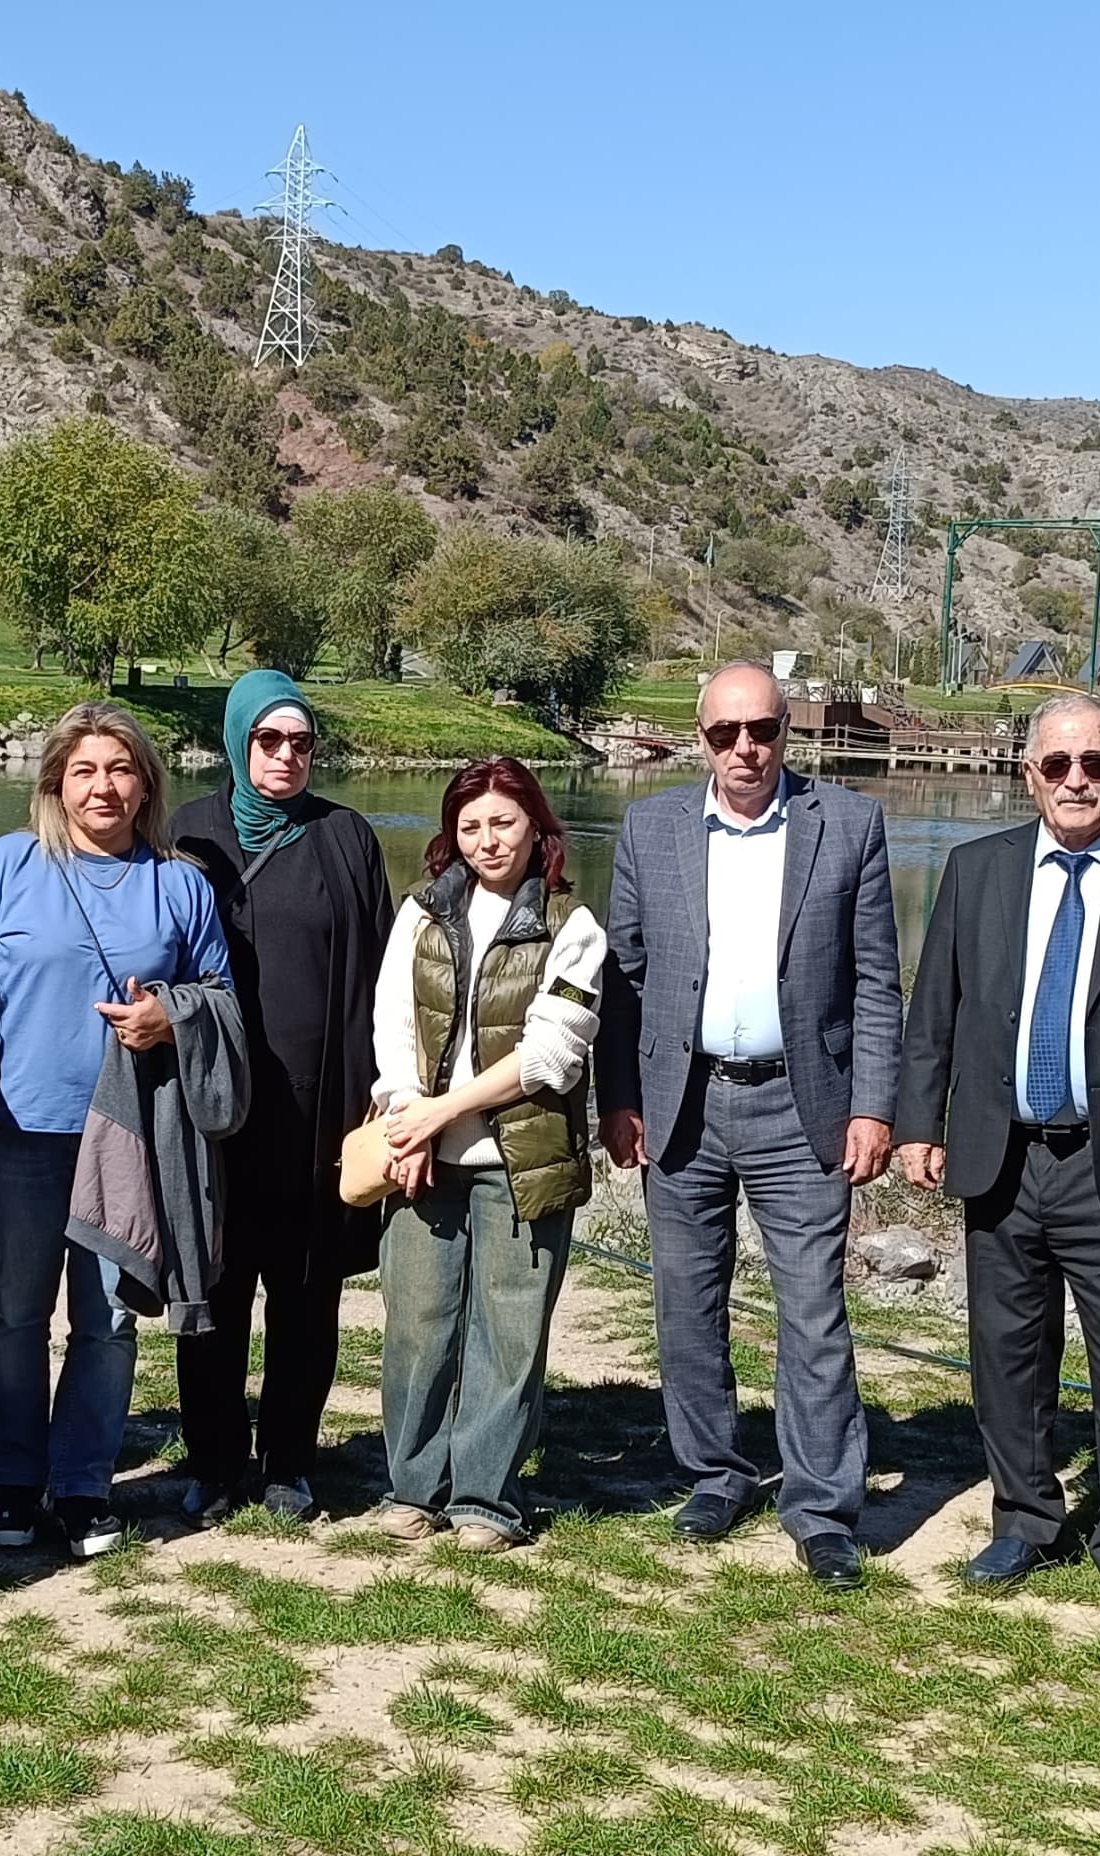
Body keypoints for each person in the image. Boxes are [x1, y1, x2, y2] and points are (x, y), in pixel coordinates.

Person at [891, 696, 1100, 1630]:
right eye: (1057, 764)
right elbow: (936, 1014)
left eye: (1094, 762)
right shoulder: (976, 871)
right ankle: (1026, 1518)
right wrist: (918, 1123)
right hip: (1002, 1156)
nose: (1077, 779)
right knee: (1007, 1356)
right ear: (1027, 771)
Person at [594, 662, 904, 1591]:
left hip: (797, 1103)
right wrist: (619, 1096)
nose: (745, 750)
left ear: (786, 733)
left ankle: (820, 1508)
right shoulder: (652, 828)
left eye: (762, 731)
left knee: (813, 1311)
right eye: (726, 734)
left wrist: (874, 1104)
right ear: (701, 739)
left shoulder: (848, 824)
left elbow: (877, 981)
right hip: (681, 1100)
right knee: (687, 1302)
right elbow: (625, 978)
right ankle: (715, 1473)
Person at [0, 703, 231, 1560]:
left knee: (109, 1318)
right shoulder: (7, 866)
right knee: (15, 1314)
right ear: (56, 782)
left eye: (121, 769)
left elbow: (221, 997)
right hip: (17, 1128)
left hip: (128, 1136)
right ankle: (14, 1478)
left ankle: (85, 1483)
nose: (103, 786)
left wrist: (167, 1020)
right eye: (85, 770)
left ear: (146, 785)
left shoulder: (181, 884)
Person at [363, 758, 610, 1553]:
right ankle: (413, 1487)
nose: (486, 840)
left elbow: (552, 1055)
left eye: (502, 822)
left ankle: (485, 1499)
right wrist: (410, 1120)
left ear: (537, 825)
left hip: (521, 1160)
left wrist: (444, 1111)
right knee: (417, 1327)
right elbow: (392, 1022)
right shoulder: (421, 914)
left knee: (509, 1333)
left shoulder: (574, 926)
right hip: (421, 1155)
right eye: (470, 826)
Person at [168, 669, 394, 1524]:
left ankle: (291, 1463)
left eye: (302, 743)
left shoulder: (346, 837)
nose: (288, 757)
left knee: (307, 1297)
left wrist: (380, 1091)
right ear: (237, 742)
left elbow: (377, 972)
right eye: (270, 740)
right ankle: (217, 1462)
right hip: (216, 1110)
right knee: (215, 1295)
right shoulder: (190, 833)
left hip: (319, 1114)